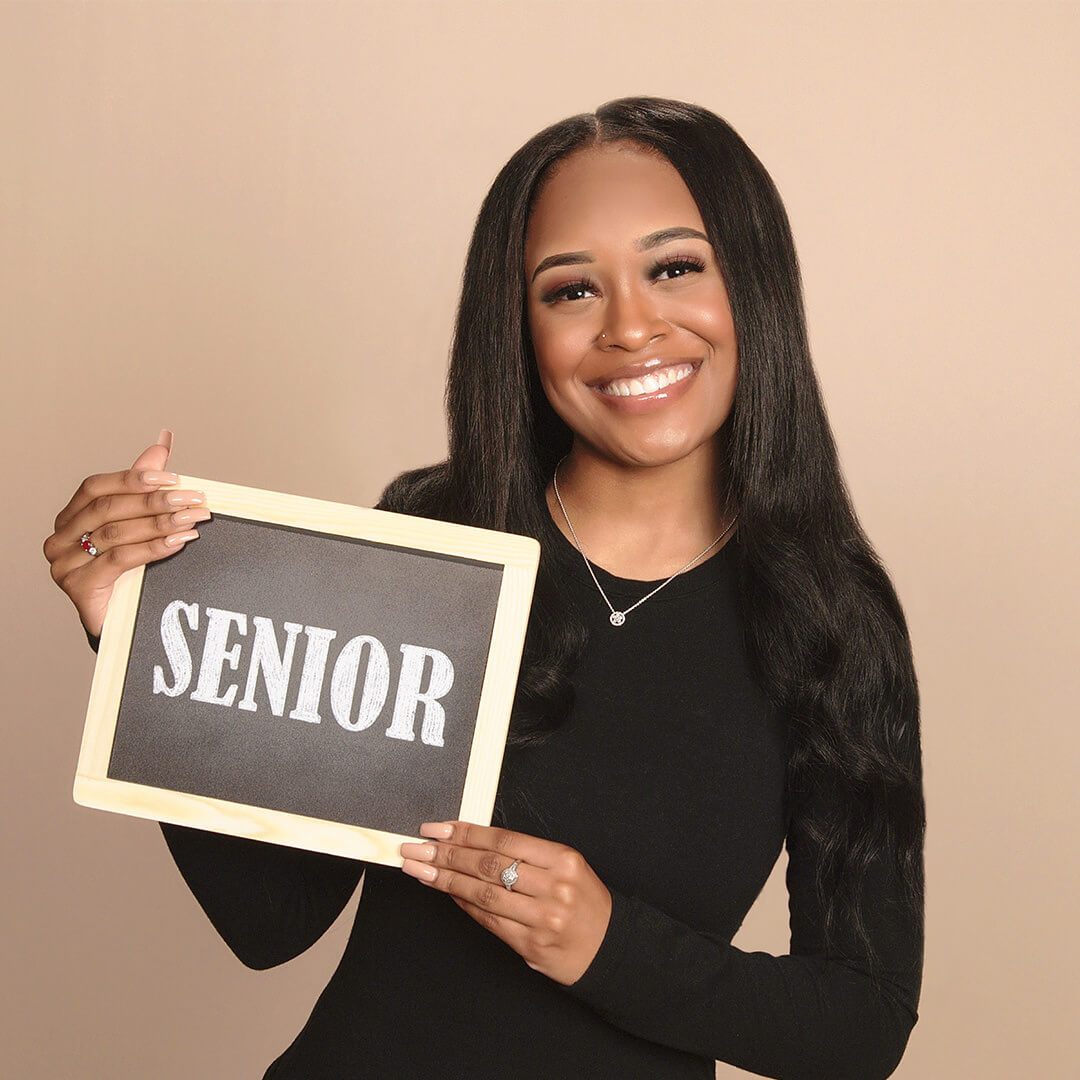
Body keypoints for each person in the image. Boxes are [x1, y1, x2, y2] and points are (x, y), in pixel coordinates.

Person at [43, 96, 925, 1079]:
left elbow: (860, 1022)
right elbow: (270, 920)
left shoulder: (833, 619)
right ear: (520, 326)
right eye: (570, 290)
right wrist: (140, 636)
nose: (631, 327)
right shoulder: (435, 535)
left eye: (674, 267)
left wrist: (609, 948)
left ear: (753, 284)